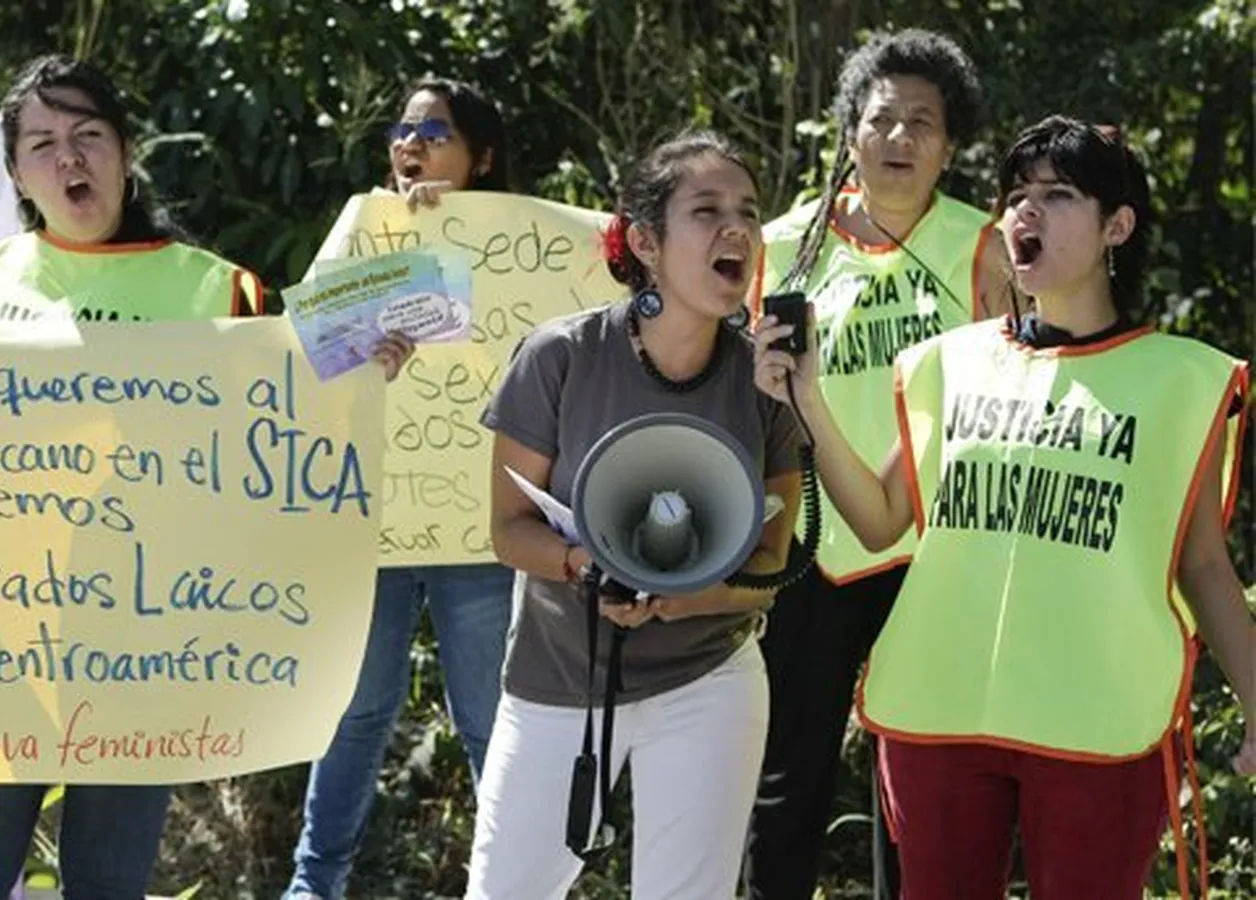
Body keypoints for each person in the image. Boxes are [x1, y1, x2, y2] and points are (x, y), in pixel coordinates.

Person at [0, 54, 413, 900]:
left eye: (88, 135)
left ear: (127, 152)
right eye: (42, 144)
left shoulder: (215, 289)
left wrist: (360, 367)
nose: (69, 158)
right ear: (17, 174)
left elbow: (277, 437)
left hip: (147, 648)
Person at [753, 114, 1256, 900]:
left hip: (1098, 718)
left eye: (1057, 195)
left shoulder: (1180, 380)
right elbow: (881, 521)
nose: (1025, 211)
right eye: (1017, 195)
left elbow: (1203, 567)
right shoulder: (949, 361)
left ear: (1117, 226)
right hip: (942, 712)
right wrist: (807, 400)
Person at [464, 129, 803, 899]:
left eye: (748, 212)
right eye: (707, 210)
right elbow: (509, 529)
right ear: (645, 242)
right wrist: (585, 566)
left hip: (709, 680)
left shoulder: (765, 381)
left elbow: (772, 562)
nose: (736, 230)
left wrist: (692, 599)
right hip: (559, 680)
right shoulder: (559, 357)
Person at [741, 29, 1014, 900]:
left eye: (922, 123)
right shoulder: (784, 246)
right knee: (787, 777)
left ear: (951, 144)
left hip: (939, 556)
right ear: (849, 131)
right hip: (813, 546)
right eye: (882, 118)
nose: (899, 138)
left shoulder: (988, 248)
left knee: (922, 786)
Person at [282, 75, 517, 900]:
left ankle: (513, 886)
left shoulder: (523, 246)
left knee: (491, 723)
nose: (410, 144)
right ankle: (314, 888)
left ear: (481, 158)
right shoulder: (363, 227)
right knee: (355, 716)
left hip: (477, 526)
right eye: (402, 131)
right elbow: (302, 352)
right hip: (371, 521)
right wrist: (364, 335)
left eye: (435, 132)